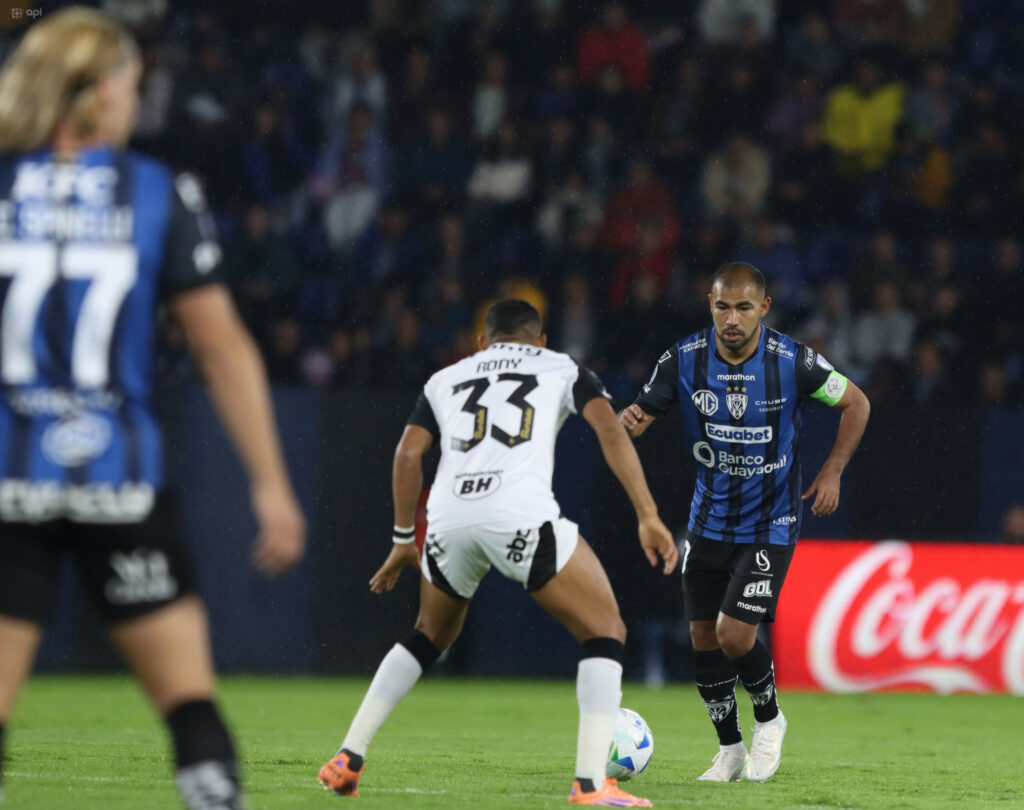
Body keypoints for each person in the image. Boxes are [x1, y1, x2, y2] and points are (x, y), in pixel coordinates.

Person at [0, 10, 305, 810]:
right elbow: (222, 348)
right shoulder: (152, 192)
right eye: (133, 85)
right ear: (101, 90)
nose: (137, 100)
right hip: (120, 484)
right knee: (191, 711)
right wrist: (271, 484)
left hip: (8, 483)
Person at [318, 299, 677, 807]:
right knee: (605, 629)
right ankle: (591, 785)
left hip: (449, 516)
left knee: (428, 634)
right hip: (516, 511)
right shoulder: (559, 366)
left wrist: (403, 539)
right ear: (541, 341)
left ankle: (348, 757)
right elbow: (610, 429)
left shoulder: (447, 377)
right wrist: (646, 513)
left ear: (483, 342)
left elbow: (407, 453)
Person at [619, 263, 869, 783]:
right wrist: (624, 424)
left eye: (743, 307)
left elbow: (856, 402)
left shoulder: (792, 362)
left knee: (735, 634)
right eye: (722, 306)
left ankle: (770, 719)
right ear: (709, 305)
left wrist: (833, 471)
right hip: (707, 522)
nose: (732, 318)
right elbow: (640, 414)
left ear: (764, 307)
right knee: (703, 637)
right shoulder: (683, 359)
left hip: (770, 523)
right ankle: (730, 750)